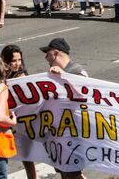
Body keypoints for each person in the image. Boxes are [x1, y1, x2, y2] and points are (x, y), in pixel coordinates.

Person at [40, 38, 88, 179]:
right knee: (65, 172)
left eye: (48, 54)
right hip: (59, 132)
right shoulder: (56, 72)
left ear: (56, 53)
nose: (46, 58)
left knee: (72, 173)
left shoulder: (77, 71)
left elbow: (85, 94)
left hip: (73, 133)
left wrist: (63, 76)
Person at [0, 45, 36, 178]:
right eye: (14, 60)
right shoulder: (0, 75)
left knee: (26, 157)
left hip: (21, 122)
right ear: (6, 61)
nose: (17, 64)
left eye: (19, 60)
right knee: (2, 155)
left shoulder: (22, 76)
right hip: (4, 120)